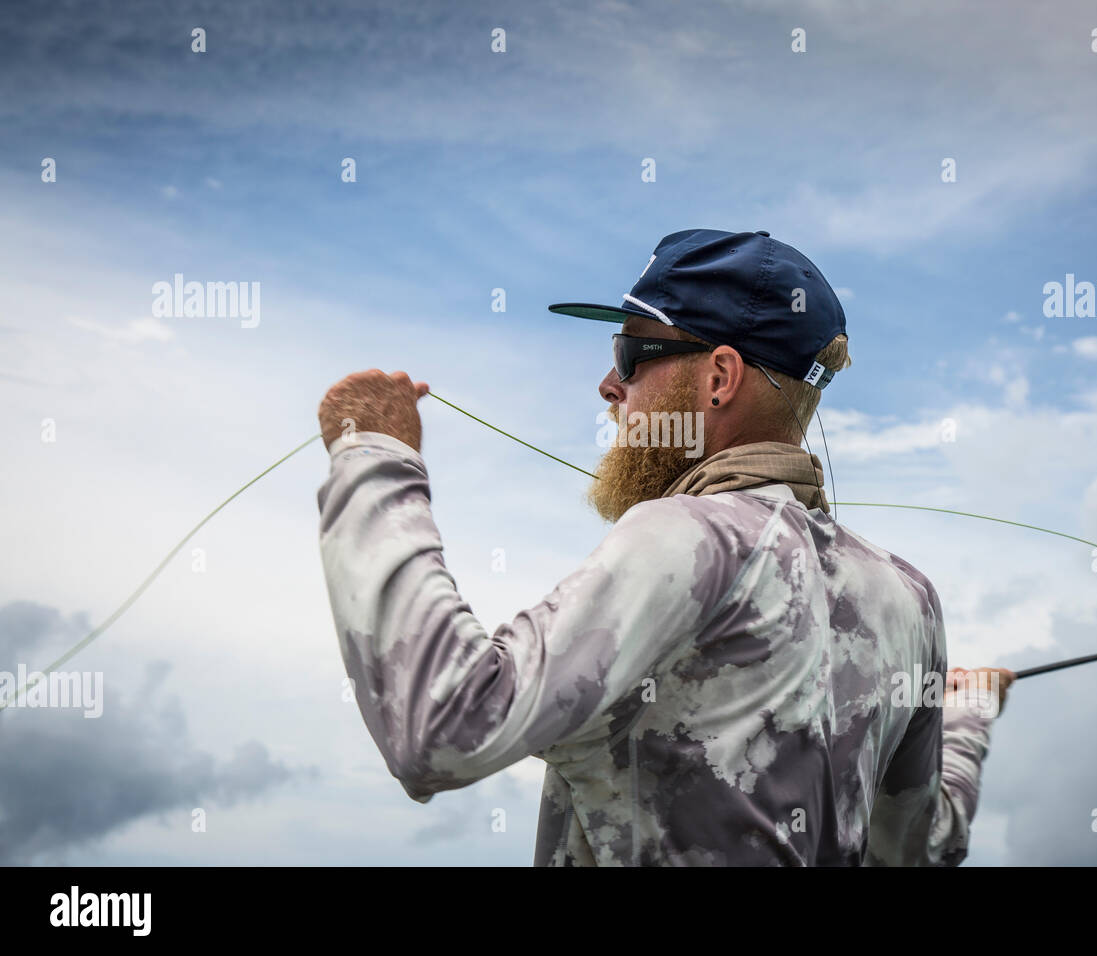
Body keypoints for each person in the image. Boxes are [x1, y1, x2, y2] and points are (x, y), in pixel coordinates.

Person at [315, 228, 1014, 866]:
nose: (609, 385)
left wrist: (374, 456)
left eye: (632, 354)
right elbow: (919, 846)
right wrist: (969, 717)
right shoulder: (909, 598)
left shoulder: (686, 537)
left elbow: (443, 727)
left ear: (718, 378)